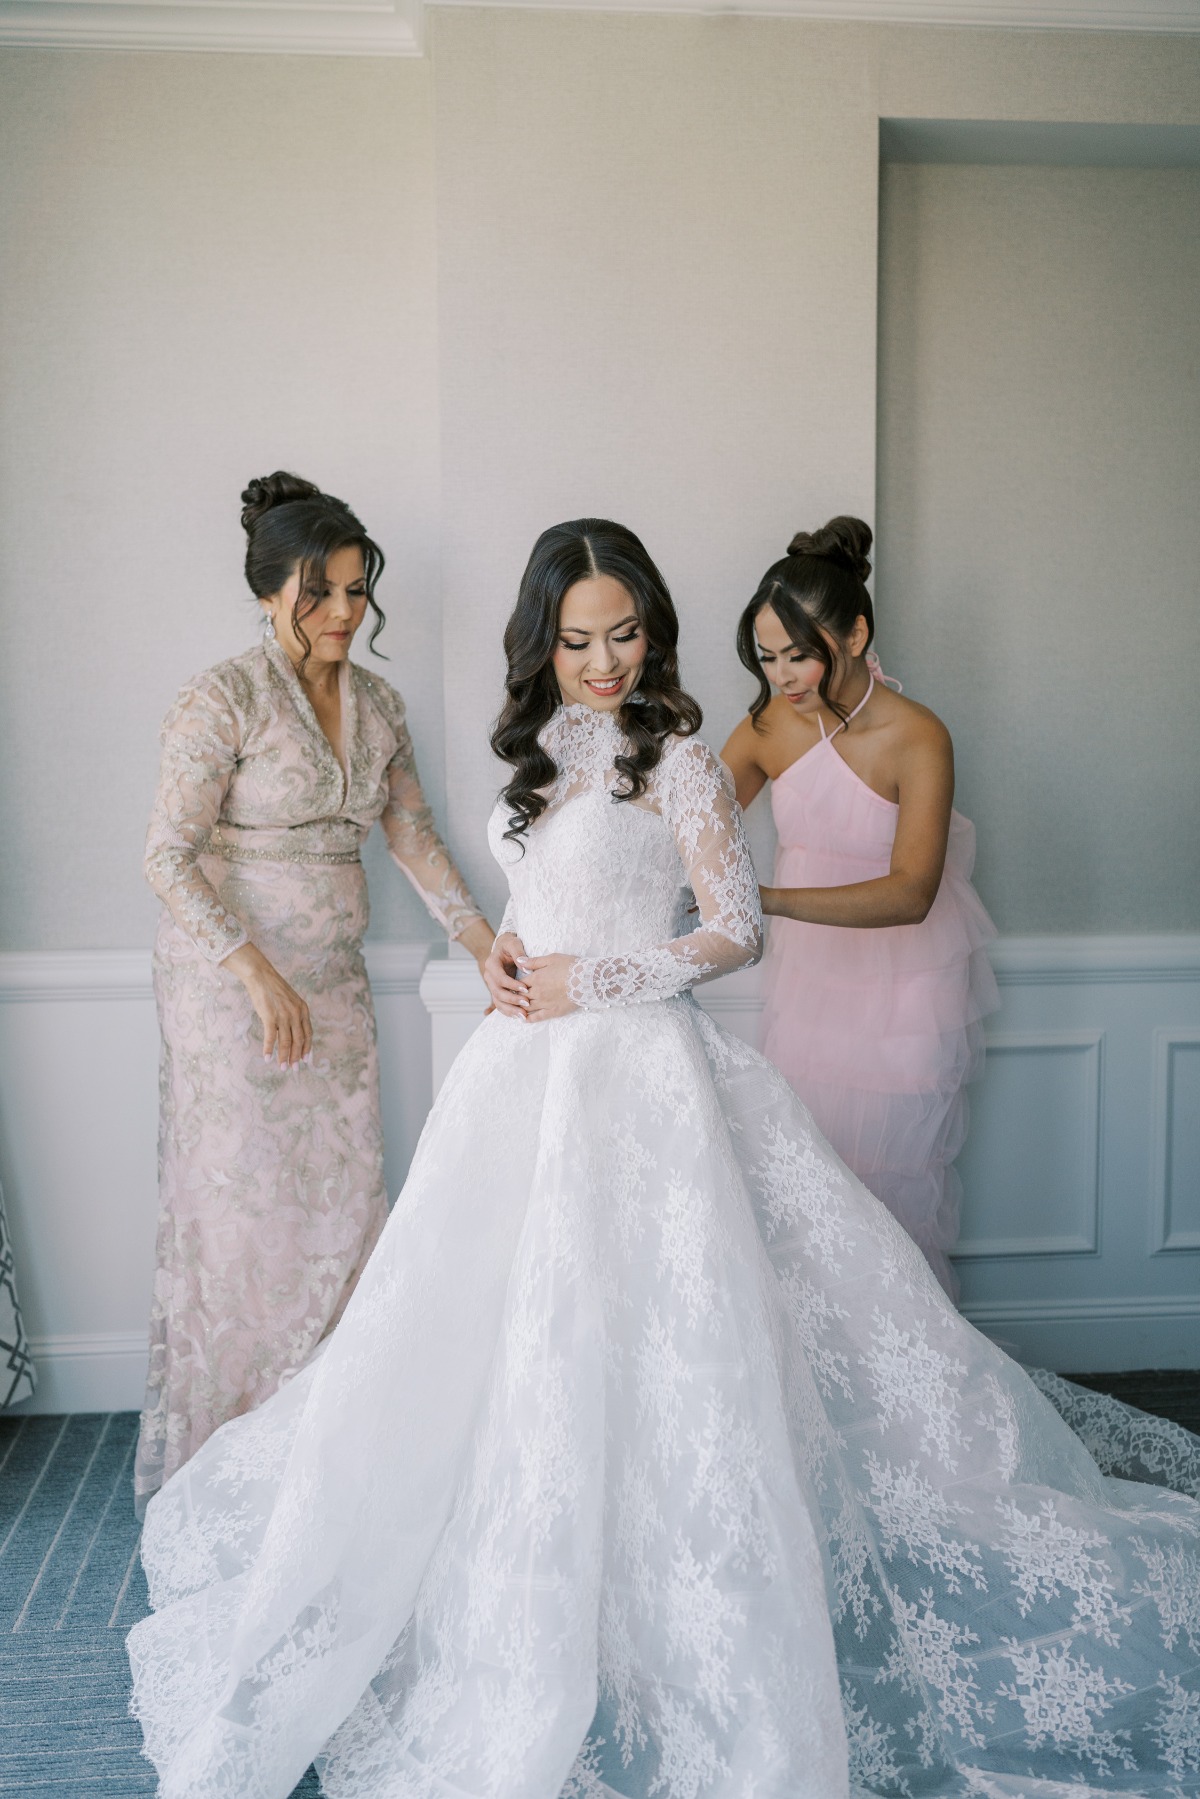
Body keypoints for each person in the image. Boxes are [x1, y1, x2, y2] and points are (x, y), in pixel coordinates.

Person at [129, 519, 1200, 1799]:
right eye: (577, 638)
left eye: (624, 633)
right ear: (545, 641)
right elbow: (530, 894)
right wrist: (515, 956)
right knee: (495, 1334)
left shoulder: (683, 758)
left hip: (640, 1075)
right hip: (521, 1075)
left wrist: (602, 977)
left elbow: (733, 925)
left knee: (663, 1345)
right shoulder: (533, 752)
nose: (602, 661)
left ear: (655, 630)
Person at [134, 471, 495, 1514]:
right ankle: (231, 1475)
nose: (345, 613)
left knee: (341, 1214)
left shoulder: (379, 703)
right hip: (229, 990)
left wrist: (479, 937)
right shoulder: (220, 699)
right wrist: (250, 966)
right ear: (268, 594)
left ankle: (327, 1462)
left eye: (355, 592)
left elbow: (413, 834)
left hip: (333, 987)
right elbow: (165, 856)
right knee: (244, 1220)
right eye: (322, 593)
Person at [721, 518, 997, 1297]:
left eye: (799, 654)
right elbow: (695, 825)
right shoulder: (769, 726)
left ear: (855, 633)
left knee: (895, 1178)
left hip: (910, 990)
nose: (782, 675)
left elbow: (913, 891)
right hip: (809, 988)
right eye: (767, 657)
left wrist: (766, 898)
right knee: (810, 1169)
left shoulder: (918, 736)